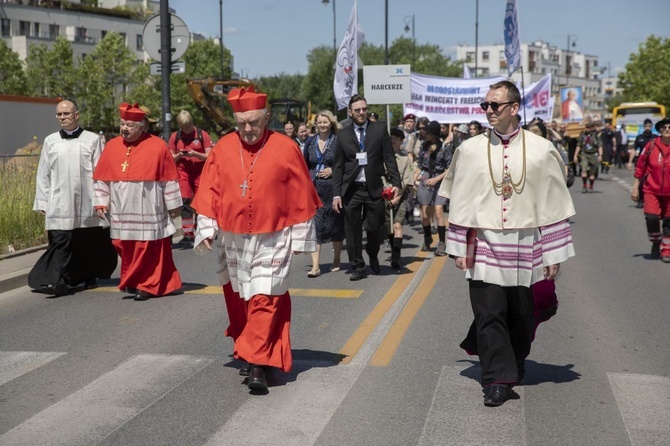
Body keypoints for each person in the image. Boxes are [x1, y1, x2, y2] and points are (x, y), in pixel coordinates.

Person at [438, 80, 575, 407]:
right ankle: (497, 379)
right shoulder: (469, 149)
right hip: (484, 243)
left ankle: (516, 356)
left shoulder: (541, 149)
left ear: (514, 108)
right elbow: (458, 201)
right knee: (489, 313)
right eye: (485, 105)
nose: (488, 111)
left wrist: (553, 253)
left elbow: (554, 205)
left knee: (522, 313)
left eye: (494, 105)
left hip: (527, 244)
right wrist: (458, 247)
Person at [191, 86, 320, 391]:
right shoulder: (222, 147)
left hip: (274, 236)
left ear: (267, 118)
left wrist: (301, 238)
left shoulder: (286, 147)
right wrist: (207, 226)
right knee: (240, 298)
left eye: (254, 122)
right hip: (233, 237)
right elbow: (210, 188)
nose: (247, 129)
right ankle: (254, 350)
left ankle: (257, 364)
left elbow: (301, 192)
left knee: (265, 296)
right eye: (241, 123)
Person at [93, 103, 183, 301]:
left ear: (142, 126)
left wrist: (174, 206)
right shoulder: (111, 146)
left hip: (148, 206)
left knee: (145, 247)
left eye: (129, 125)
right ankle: (134, 280)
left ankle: (146, 285)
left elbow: (168, 178)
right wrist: (101, 202)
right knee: (121, 244)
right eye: (122, 124)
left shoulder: (158, 146)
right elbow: (102, 178)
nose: (124, 128)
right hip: (120, 208)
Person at [29, 100, 117, 297]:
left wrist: (102, 199)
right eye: (59, 114)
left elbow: (100, 171)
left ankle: (87, 276)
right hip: (59, 201)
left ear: (76, 115)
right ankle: (59, 280)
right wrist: (43, 200)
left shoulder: (92, 140)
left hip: (86, 201)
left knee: (86, 241)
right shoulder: (51, 141)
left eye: (66, 114)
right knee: (61, 241)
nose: (62, 117)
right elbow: (43, 173)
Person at [332, 94, 401, 281]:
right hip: (351, 190)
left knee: (374, 227)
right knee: (352, 231)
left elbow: (389, 157)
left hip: (374, 188)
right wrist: (336, 195)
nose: (362, 113)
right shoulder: (343, 135)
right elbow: (338, 166)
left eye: (364, 109)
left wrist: (396, 183)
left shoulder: (379, 130)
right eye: (357, 110)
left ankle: (372, 254)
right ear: (350, 112)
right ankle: (358, 266)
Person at [302, 110, 345, 277]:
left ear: (331, 123)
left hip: (334, 190)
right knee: (315, 227)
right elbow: (305, 165)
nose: (322, 125)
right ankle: (315, 266)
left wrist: (333, 170)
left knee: (335, 226)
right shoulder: (311, 142)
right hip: (315, 190)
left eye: (325, 122)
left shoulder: (338, 141)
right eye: (319, 122)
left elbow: (346, 163)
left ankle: (336, 258)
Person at [167, 110, 214, 244]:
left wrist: (195, 154)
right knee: (185, 200)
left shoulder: (201, 135)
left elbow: (209, 156)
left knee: (201, 200)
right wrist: (180, 155)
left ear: (192, 123)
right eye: (183, 127)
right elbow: (170, 158)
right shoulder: (175, 137)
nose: (186, 130)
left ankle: (201, 228)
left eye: (188, 126)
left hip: (200, 171)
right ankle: (188, 232)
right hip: (183, 172)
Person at [632, 117, 670, 262]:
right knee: (651, 217)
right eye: (664, 127)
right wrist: (635, 187)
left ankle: (666, 250)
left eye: (669, 127)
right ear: (659, 130)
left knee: (669, 221)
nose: (667, 129)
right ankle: (655, 242)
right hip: (651, 190)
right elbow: (640, 167)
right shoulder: (651, 146)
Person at [414, 120, 452, 255]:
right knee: (424, 214)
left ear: (434, 135)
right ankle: (427, 237)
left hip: (439, 181)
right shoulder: (424, 146)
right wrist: (415, 175)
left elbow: (449, 168)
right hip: (425, 180)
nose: (425, 134)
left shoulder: (445, 148)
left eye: (428, 133)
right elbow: (420, 164)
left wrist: (436, 179)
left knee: (438, 211)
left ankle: (442, 243)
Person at [386, 128, 415, 269]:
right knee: (389, 227)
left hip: (400, 197)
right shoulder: (383, 158)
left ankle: (396, 256)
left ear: (401, 141)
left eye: (396, 138)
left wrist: (397, 197)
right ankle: (392, 249)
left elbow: (408, 179)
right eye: (390, 137)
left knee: (397, 225)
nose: (393, 140)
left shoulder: (405, 159)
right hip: (385, 196)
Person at [631, 118, 656, 208]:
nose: (647, 128)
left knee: (652, 182)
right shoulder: (639, 138)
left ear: (652, 127)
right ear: (643, 126)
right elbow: (634, 149)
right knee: (641, 182)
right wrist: (630, 162)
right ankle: (641, 200)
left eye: (649, 126)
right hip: (642, 163)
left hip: (653, 163)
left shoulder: (655, 138)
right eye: (646, 126)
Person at [573, 121, 602, 193]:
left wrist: (600, 155)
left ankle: (591, 185)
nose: (587, 129)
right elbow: (579, 145)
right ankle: (584, 185)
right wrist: (575, 155)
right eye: (587, 128)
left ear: (592, 128)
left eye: (589, 128)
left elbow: (600, 146)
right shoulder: (583, 135)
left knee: (592, 174)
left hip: (593, 154)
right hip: (584, 154)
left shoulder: (596, 135)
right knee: (584, 169)